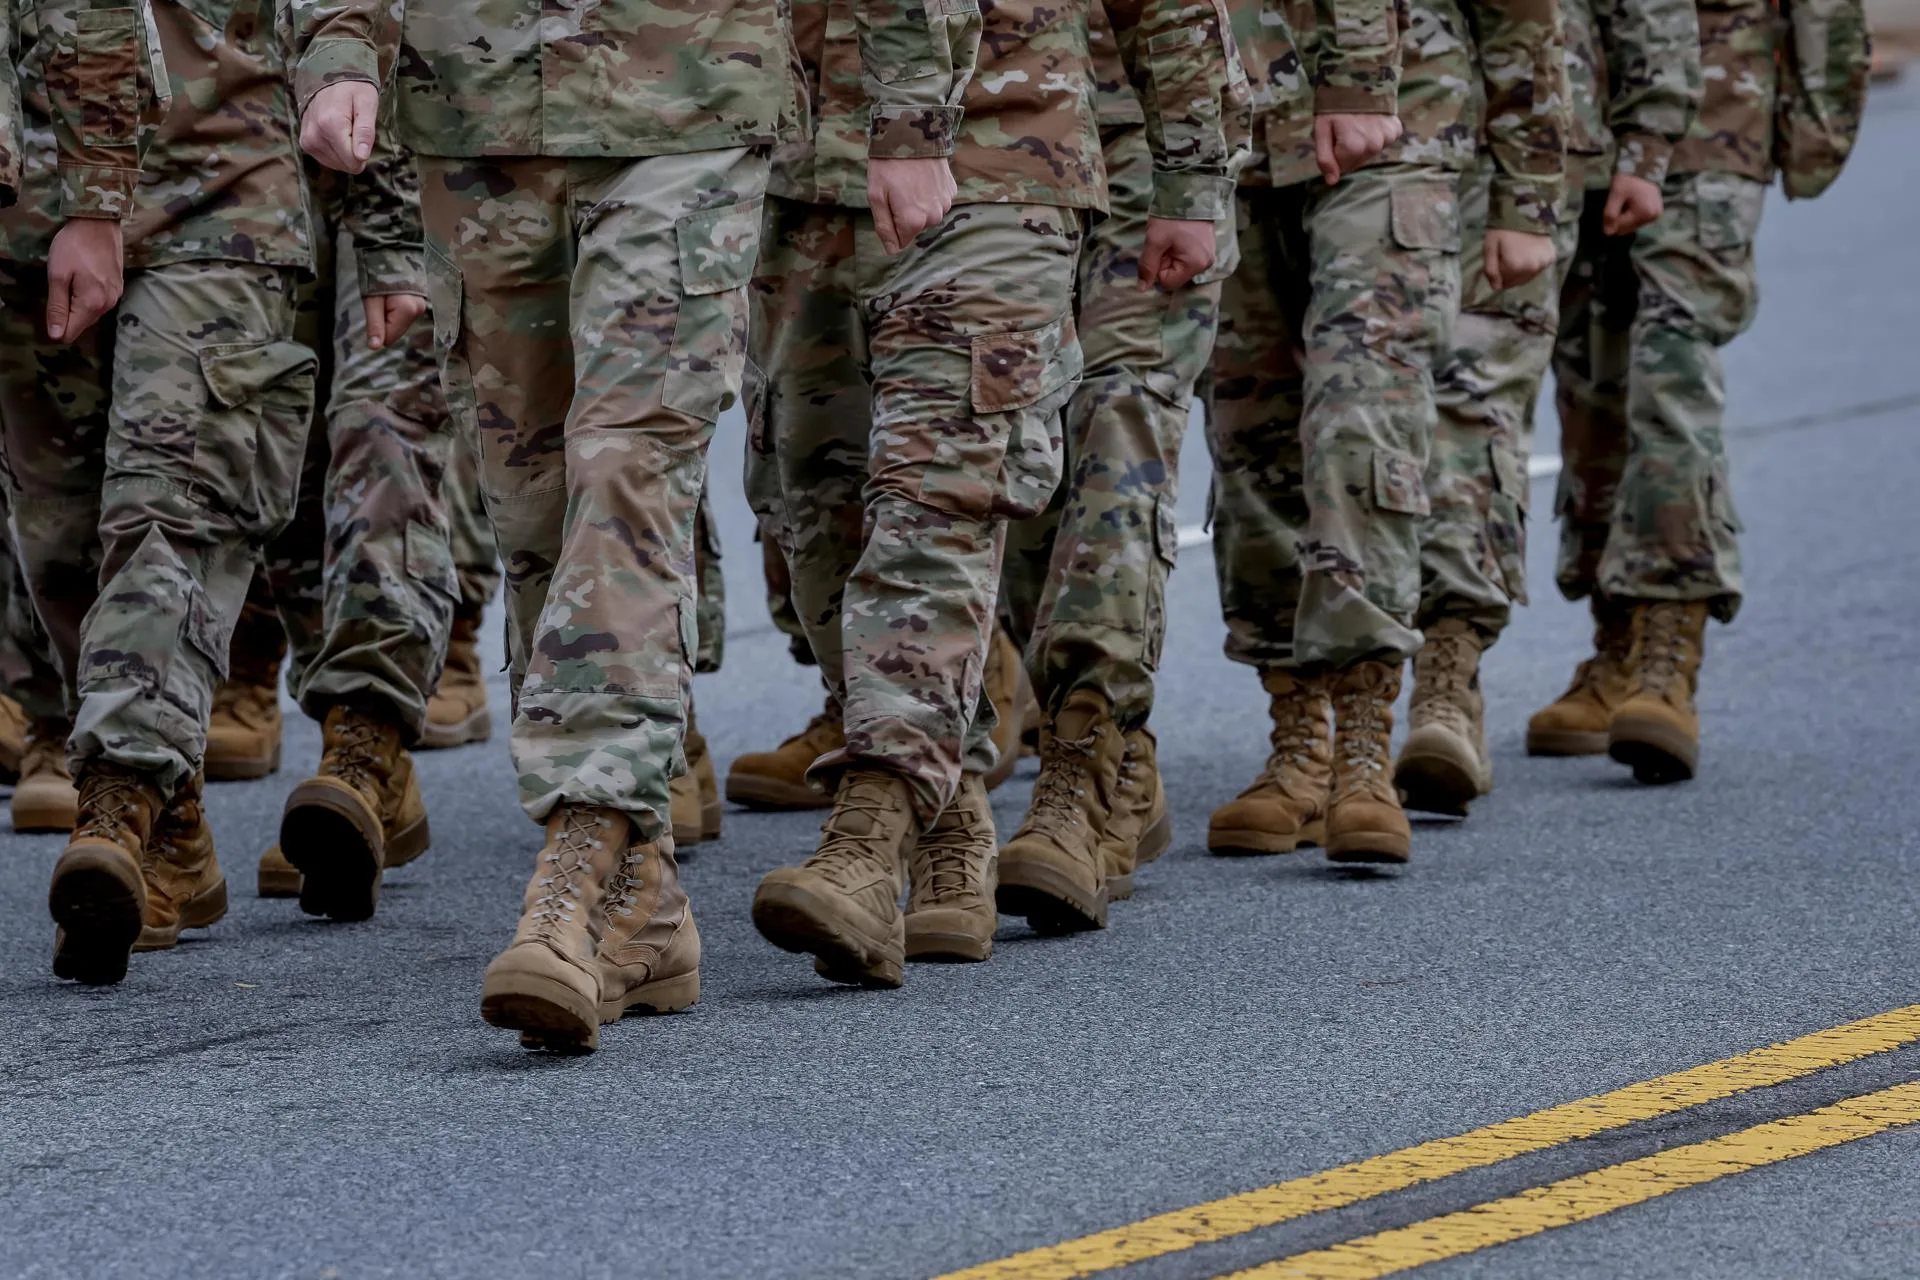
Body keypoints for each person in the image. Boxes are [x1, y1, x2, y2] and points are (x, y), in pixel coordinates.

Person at [298, 0, 788, 1051]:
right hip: (478, 110)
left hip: (683, 93)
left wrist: (910, 118)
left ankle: (581, 852)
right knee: (534, 515)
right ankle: (644, 901)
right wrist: (339, 49)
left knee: (625, 466)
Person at [745, 0, 1242, 981]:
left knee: (944, 488)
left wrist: (1192, 170)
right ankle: (952, 812)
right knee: (816, 500)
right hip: (804, 159)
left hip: (1002, 144)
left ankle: (896, 818)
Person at [2, 0, 318, 986]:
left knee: (167, 514)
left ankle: (119, 802)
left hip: (215, 184)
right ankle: (170, 809)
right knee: (57, 545)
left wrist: (97, 197)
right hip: (22, 201)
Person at [1204, 0, 1563, 863]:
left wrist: (1526, 195)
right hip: (1225, 139)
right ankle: (1298, 738)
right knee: (1248, 436)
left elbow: (1518, 15)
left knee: (1361, 422)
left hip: (1401, 131)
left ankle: (1364, 739)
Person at [1529, 0, 1869, 783]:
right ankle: (1614, 639)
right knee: (1589, 382)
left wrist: (1819, 119)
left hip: (1716, 116)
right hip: (1573, 115)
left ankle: (1667, 650)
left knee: (1670, 371)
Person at [1396, 0, 1701, 815]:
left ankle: (1447, 681)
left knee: (1475, 397)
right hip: (1358, 148)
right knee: (1360, 417)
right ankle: (1323, 721)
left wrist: (1646, 142)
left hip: (1516, 137)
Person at [994, 3, 1239, 904]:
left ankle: (1083, 760)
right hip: (993, 151)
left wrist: (1193, 185)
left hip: (1142, 142)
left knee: (1119, 418)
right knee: (1020, 444)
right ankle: (1111, 750)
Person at [241, 122, 455, 915]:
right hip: (252, 145)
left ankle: (367, 737)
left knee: (382, 435)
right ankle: (360, 748)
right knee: (287, 458)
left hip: (404, 154)